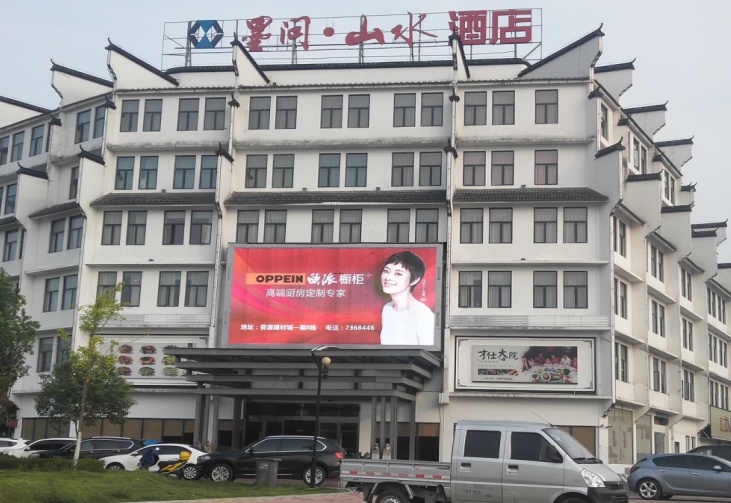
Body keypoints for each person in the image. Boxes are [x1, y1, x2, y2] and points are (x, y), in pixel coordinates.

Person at [379, 251, 435, 346]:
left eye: (398, 274)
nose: (388, 277)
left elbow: (429, 351)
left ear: (415, 280)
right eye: (386, 271)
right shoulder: (387, 309)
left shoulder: (423, 315)